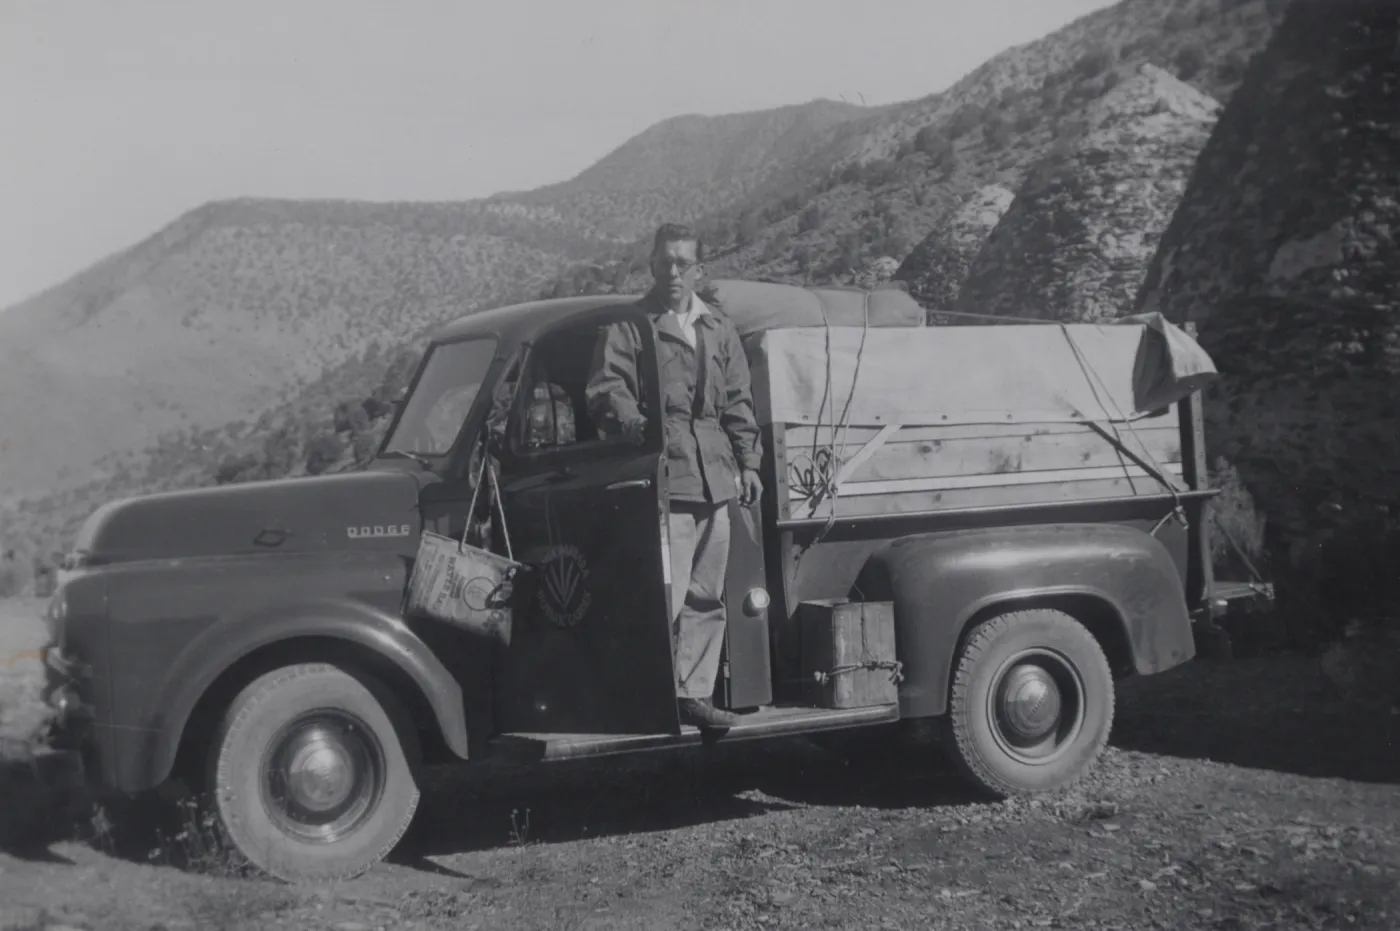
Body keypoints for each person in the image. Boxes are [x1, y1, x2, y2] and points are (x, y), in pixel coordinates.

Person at [585, 223, 763, 731]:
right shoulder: (630, 326)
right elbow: (605, 389)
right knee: (662, 594)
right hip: (665, 482)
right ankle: (642, 697)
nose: (674, 272)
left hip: (716, 480)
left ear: (699, 270)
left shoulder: (717, 329)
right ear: (652, 267)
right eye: (665, 262)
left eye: (684, 263)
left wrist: (749, 463)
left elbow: (737, 403)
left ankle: (694, 695)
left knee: (706, 597)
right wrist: (642, 431)